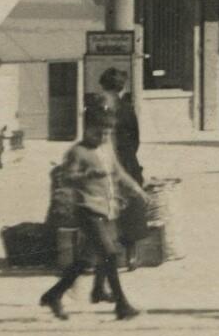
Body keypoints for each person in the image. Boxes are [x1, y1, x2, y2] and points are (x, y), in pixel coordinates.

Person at [38, 117, 139, 321]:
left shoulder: (106, 149)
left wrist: (136, 189)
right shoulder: (78, 152)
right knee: (110, 254)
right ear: (87, 130)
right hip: (87, 210)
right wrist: (88, 174)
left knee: (86, 260)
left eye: (107, 133)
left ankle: (53, 295)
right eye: (98, 133)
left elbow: (117, 173)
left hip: (107, 209)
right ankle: (122, 305)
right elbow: (65, 177)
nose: (103, 137)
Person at [91, 67, 145, 185]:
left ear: (103, 87)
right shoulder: (127, 109)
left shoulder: (94, 108)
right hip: (125, 163)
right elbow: (135, 139)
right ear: (121, 88)